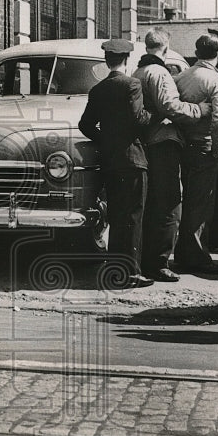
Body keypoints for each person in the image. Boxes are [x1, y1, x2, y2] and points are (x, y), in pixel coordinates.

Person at [131, 27, 212, 282]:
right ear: (166, 48)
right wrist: (200, 109)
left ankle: (147, 260)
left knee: (152, 203)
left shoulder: (139, 71)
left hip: (146, 143)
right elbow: (171, 107)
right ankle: (159, 263)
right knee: (169, 204)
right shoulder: (159, 72)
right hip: (164, 143)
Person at [78, 39, 155, 289]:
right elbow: (138, 119)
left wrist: (106, 140)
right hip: (133, 160)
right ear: (126, 60)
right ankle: (131, 273)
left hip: (110, 162)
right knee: (133, 217)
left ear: (107, 61)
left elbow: (85, 125)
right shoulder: (132, 84)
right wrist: (156, 114)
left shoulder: (98, 90)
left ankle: (115, 270)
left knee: (117, 216)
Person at [172, 34, 218, 274]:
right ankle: (195, 256)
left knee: (184, 200)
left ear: (196, 52)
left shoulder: (181, 77)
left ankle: (182, 252)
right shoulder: (216, 80)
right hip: (204, 145)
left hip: (182, 144)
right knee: (201, 202)